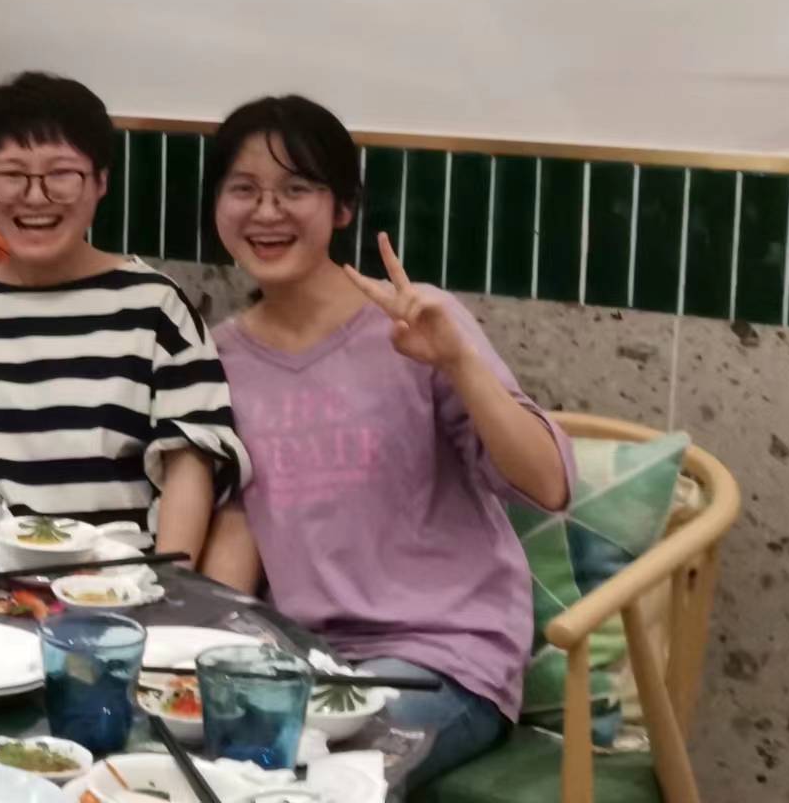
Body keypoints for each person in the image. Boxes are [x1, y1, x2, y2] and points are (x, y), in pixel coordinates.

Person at [195, 95, 572, 786]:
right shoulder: (218, 357)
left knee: (325, 782)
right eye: (243, 189)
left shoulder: (416, 324)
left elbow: (547, 485)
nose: (267, 212)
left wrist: (457, 362)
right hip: (304, 662)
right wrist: (200, 656)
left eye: (296, 189)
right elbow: (239, 526)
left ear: (342, 207)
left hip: (443, 657)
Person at [0, 72, 246, 556]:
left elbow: (191, 463)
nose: (35, 196)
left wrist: (169, 583)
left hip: (118, 579)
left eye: (61, 174)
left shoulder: (154, 306)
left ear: (101, 182)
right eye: (11, 175)